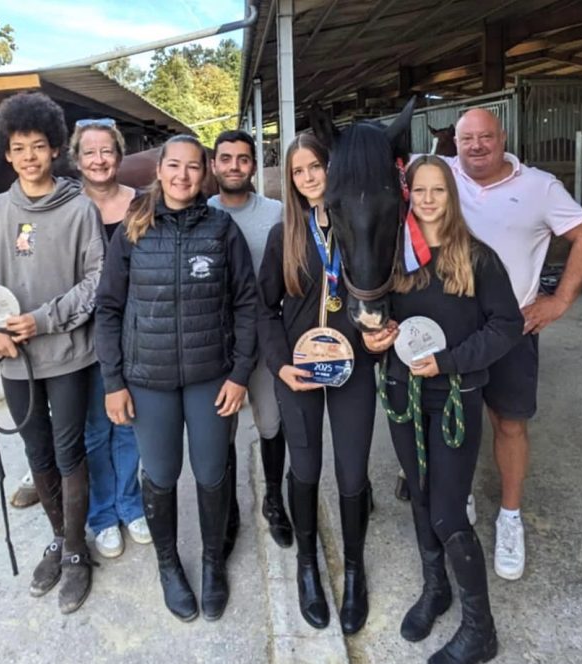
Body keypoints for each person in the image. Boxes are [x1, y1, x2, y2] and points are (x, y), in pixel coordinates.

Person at [363, 156, 523, 664]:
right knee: (421, 491)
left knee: (449, 511)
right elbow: (365, 309)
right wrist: (374, 333)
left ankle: (482, 630)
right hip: (404, 393)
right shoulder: (394, 256)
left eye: (439, 190)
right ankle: (436, 589)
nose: (429, 199)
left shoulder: (478, 258)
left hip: (454, 395)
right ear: (409, 194)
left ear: (452, 196)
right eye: (421, 190)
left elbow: (507, 325)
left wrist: (452, 361)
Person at [95, 134, 257, 622]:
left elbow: (246, 304)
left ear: (204, 172)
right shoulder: (133, 228)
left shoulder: (222, 229)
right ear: (159, 170)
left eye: (192, 167)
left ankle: (212, 563)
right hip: (150, 379)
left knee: (211, 473)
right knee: (161, 475)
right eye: (174, 166)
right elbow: (108, 307)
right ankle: (169, 565)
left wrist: (240, 374)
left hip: (211, 377)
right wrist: (114, 382)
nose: (183, 176)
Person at [447, 109, 582, 580]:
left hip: (511, 327)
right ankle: (459, 495)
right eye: (466, 138)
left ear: (503, 138)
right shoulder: (438, 174)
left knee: (509, 424)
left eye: (485, 137)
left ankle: (511, 517)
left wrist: (559, 301)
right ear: (453, 142)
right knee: (453, 416)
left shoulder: (539, 187)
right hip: (452, 324)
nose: (476, 146)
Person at [0, 92, 103, 614]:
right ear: (7, 153)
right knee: (37, 452)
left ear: (55, 151)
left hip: (68, 354)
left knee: (70, 451)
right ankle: (58, 538)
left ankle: (77, 554)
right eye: (19, 147)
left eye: (39, 146)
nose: (29, 156)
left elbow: (98, 280)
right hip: (13, 359)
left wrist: (44, 318)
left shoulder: (78, 210)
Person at [257, 134, 377, 635]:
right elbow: (263, 308)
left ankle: (353, 570)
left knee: (352, 474)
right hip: (299, 370)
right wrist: (281, 366)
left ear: (332, 169)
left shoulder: (358, 225)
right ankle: (307, 565)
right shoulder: (283, 235)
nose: (308, 178)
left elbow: (379, 291)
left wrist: (379, 333)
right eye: (298, 171)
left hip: (353, 367)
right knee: (304, 467)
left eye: (315, 167)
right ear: (290, 179)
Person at [69, 118, 152, 559]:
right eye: (90, 152)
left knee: (129, 426)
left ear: (119, 157)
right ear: (77, 160)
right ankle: (102, 514)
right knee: (95, 430)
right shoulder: (67, 207)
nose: (99, 160)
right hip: (84, 340)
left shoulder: (143, 205)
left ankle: (130, 503)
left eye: (107, 151)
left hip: (135, 336)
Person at [207, 129, 292, 550]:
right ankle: (228, 510)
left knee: (272, 423)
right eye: (226, 159)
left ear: (254, 166)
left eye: (243, 159)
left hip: (265, 339)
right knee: (219, 432)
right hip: (217, 344)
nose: (234, 166)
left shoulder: (276, 212)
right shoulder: (201, 213)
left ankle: (274, 499)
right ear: (214, 165)